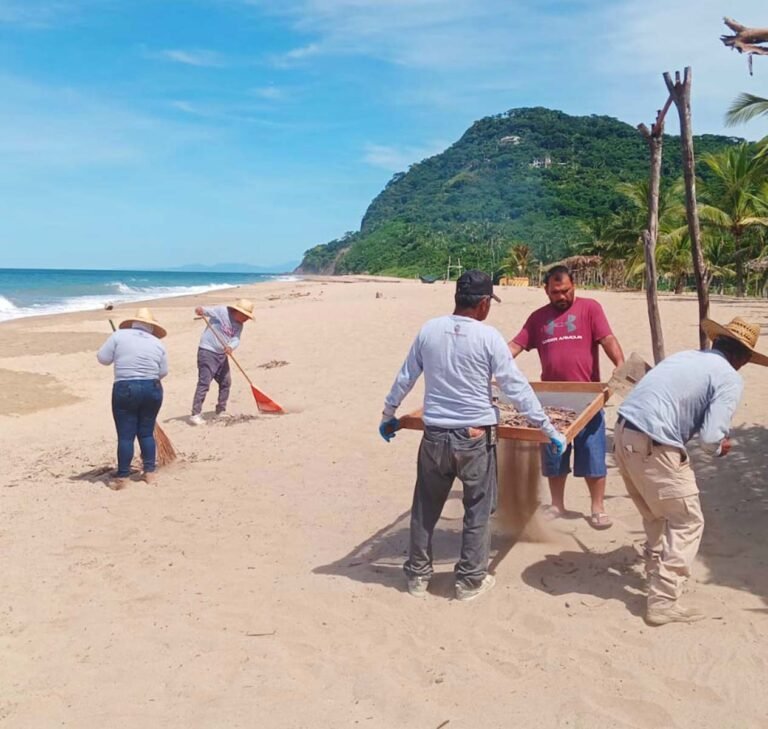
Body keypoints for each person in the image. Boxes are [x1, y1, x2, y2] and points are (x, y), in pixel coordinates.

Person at [380, 270, 566, 602]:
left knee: (425, 507)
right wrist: (547, 428)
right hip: (475, 437)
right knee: (477, 509)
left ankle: (418, 577)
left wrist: (388, 415)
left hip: (434, 434)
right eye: (488, 303)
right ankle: (469, 581)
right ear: (482, 304)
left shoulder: (429, 330)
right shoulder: (488, 337)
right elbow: (515, 388)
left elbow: (405, 377)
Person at [614, 317, 767, 625]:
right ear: (743, 357)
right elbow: (711, 437)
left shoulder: (685, 356)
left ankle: (654, 574)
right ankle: (663, 599)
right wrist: (720, 446)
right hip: (654, 443)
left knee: (655, 513)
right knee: (687, 521)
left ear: (716, 342)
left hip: (622, 434)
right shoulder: (729, 377)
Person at [508, 265, 624, 529]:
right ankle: (557, 505)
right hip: (550, 400)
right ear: (546, 291)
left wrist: (619, 362)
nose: (561, 297)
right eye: (555, 292)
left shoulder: (590, 308)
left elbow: (607, 338)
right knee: (553, 455)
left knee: (593, 453)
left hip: (588, 398)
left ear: (575, 286)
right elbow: (515, 346)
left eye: (566, 291)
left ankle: (597, 508)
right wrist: (492, 362)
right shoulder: (538, 318)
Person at [97, 308, 168, 489]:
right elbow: (163, 372)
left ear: (133, 322)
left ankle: (123, 476)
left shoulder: (119, 336)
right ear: (152, 327)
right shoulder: (157, 343)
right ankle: (149, 472)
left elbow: (103, 359)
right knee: (145, 432)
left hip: (126, 387)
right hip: (152, 388)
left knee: (126, 435)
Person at [190, 299, 254, 425]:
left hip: (222, 354)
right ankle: (195, 414)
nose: (246, 319)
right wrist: (200, 310)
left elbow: (236, 339)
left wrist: (230, 347)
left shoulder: (240, 325)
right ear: (238, 312)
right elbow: (206, 311)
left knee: (226, 382)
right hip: (207, 351)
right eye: (245, 316)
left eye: (248, 317)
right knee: (204, 383)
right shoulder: (222, 311)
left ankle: (220, 410)